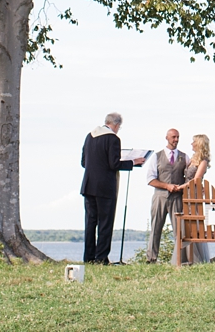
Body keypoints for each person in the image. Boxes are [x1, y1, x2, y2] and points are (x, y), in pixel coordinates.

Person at [80, 111, 138, 264]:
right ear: (116, 125)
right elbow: (114, 164)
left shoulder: (90, 136)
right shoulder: (113, 139)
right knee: (105, 223)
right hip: (105, 187)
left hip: (89, 185)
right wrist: (132, 162)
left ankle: (89, 257)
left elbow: (83, 162)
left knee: (90, 223)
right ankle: (101, 258)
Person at [142, 128, 187, 264]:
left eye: (178, 137)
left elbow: (190, 176)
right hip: (160, 196)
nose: (176, 140)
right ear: (167, 138)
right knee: (156, 228)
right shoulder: (157, 156)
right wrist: (166, 186)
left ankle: (181, 259)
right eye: (173, 137)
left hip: (177, 198)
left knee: (180, 230)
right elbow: (150, 179)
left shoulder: (184, 157)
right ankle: (151, 259)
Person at [179, 133, 213, 266]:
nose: (191, 144)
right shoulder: (191, 159)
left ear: (199, 144)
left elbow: (196, 180)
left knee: (194, 224)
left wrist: (180, 187)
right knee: (184, 225)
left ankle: (196, 257)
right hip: (185, 194)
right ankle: (185, 256)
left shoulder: (203, 161)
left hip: (193, 194)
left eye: (194, 142)